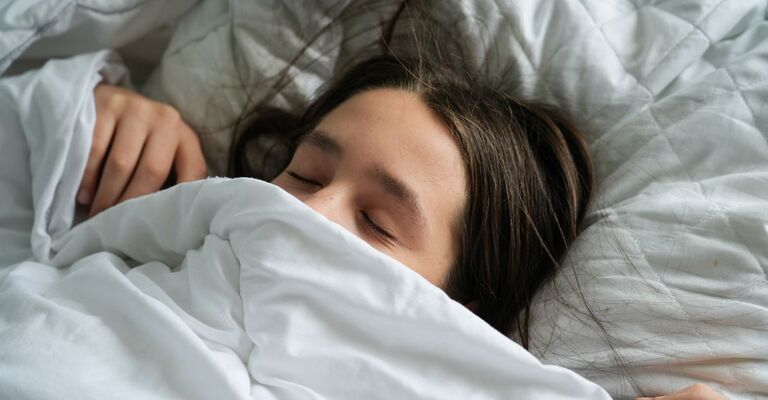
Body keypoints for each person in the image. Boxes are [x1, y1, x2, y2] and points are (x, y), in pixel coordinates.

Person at [78, 54, 727, 400]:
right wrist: (80, 114)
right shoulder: (128, 256)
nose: (310, 211)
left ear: (455, 307)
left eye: (377, 223)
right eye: (305, 174)